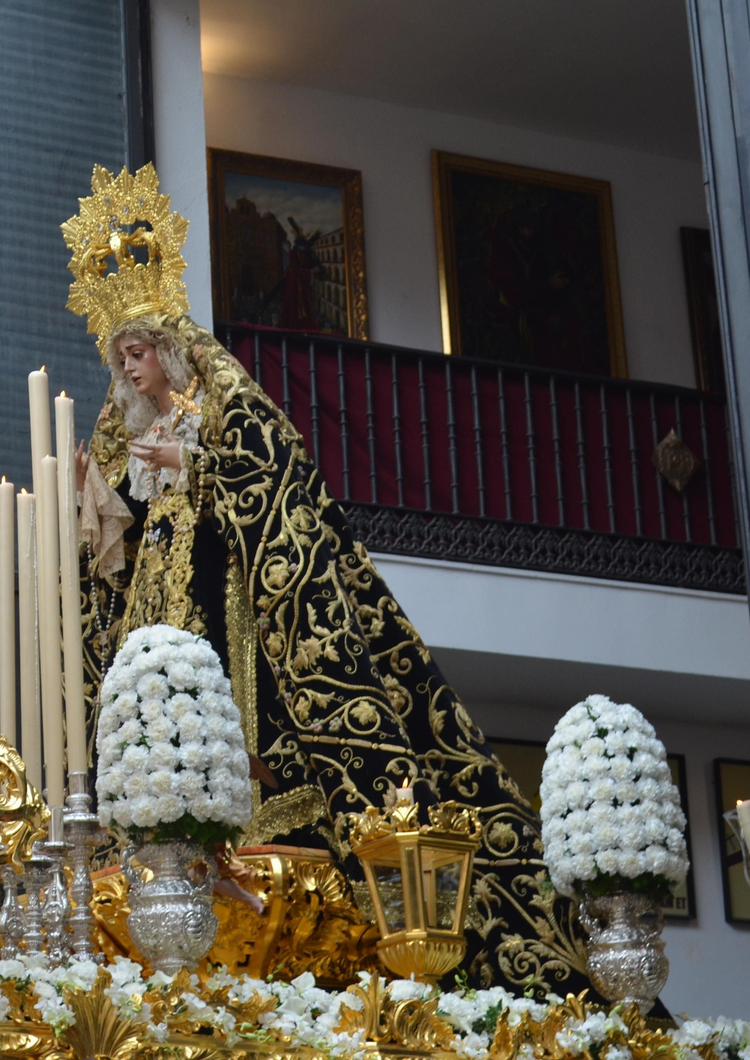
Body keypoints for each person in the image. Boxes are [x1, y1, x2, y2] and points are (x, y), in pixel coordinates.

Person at [65, 163, 586, 992]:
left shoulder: (223, 411)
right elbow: (114, 543)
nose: (129, 369)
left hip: (228, 609)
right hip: (156, 609)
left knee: (244, 717)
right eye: (119, 356)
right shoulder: (133, 427)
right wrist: (97, 499)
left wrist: (192, 465)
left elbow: (275, 482)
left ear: (168, 351)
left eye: (138, 353)